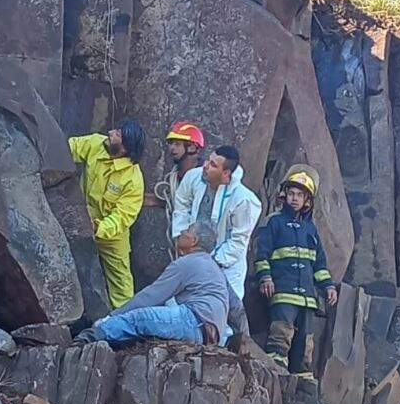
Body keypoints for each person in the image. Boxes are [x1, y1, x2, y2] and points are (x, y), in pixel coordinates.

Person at [73, 221, 249, 346]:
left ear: (193, 241)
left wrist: (111, 316)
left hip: (193, 320)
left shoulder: (186, 263)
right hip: (209, 332)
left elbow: (151, 296)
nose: (181, 233)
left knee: (138, 319)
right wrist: (241, 341)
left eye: (187, 230)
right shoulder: (213, 267)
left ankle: (89, 337)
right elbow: (236, 307)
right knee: (141, 329)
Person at [253, 165, 338, 378]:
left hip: (307, 298)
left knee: (305, 345)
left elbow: (319, 263)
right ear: (284, 195)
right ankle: (275, 378)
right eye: (291, 193)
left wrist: (328, 286)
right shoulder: (274, 222)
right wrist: (265, 277)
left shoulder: (311, 230)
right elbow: (261, 253)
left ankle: (304, 389)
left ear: (307, 201)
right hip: (283, 292)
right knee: (280, 336)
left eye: (300, 195)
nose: (294, 198)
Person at [69, 120, 146, 308]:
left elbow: (123, 217)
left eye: (118, 134)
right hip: (80, 219)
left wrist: (99, 228)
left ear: (125, 148)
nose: (111, 132)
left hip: (111, 235)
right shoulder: (96, 143)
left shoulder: (133, 181)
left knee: (120, 281)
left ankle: (124, 320)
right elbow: (68, 149)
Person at [171, 145, 262, 299]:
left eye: (213, 165)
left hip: (226, 268)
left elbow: (238, 241)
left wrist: (211, 262)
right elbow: (181, 205)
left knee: (222, 313)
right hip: (190, 257)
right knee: (179, 304)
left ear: (226, 173)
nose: (205, 166)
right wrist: (182, 236)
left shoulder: (245, 200)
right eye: (208, 160)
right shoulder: (193, 177)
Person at [153, 121, 206, 260]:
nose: (172, 148)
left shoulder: (204, 177)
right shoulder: (175, 176)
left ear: (192, 147)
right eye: (171, 144)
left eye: (177, 144)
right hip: (182, 240)